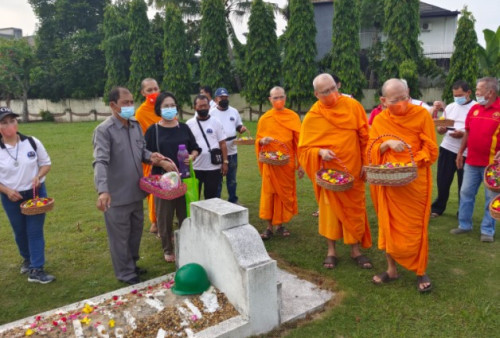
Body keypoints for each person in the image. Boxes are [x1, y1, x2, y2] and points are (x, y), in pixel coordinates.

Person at [369, 78, 438, 293]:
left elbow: (432, 149)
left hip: (415, 179)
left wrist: (412, 161)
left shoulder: (421, 115)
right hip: (389, 182)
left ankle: (420, 271)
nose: (401, 103)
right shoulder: (380, 121)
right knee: (388, 224)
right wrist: (386, 144)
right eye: (395, 100)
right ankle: (391, 269)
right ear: (383, 100)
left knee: (416, 227)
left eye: (404, 98)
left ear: (409, 93)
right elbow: (370, 150)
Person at [298, 73, 372, 270]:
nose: (332, 94)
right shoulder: (313, 115)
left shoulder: (353, 106)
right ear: (316, 94)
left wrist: (366, 162)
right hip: (328, 174)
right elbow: (303, 149)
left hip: (353, 170)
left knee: (354, 210)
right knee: (330, 212)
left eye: (333, 88)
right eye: (325, 91)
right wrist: (320, 152)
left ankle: (355, 249)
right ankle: (331, 250)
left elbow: (365, 137)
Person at [93, 86, 166, 285]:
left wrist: (151, 156)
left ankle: (132, 265)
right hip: (116, 195)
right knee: (120, 237)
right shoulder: (104, 130)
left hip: (137, 190)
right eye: (125, 103)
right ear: (113, 105)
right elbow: (100, 161)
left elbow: (141, 151)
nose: (129, 106)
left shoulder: (134, 125)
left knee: (134, 234)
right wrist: (103, 190)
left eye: (131, 102)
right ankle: (125, 273)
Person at [0, 107, 55, 284]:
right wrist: (7, 190)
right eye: (4, 122)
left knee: (34, 231)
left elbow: (46, 163)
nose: (10, 125)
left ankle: (37, 269)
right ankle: (27, 259)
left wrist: (38, 176)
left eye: (12, 120)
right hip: (11, 197)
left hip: (34, 194)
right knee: (20, 231)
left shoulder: (31, 142)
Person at [144, 91, 200, 263]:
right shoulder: (153, 130)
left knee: (185, 213)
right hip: (163, 180)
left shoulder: (183, 128)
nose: (170, 109)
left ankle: (186, 242)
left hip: (184, 178)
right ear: (159, 109)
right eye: (165, 106)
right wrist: (160, 163)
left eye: (172, 105)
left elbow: (196, 147)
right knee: (165, 215)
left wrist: (192, 156)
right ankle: (167, 248)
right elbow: (145, 153)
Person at [451, 77, 500, 243]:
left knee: (491, 198)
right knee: (465, 193)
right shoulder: (474, 110)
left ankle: (487, 230)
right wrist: (460, 153)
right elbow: (467, 132)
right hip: (471, 162)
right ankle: (464, 225)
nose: (476, 93)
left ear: (490, 92)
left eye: (478, 90)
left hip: (493, 166)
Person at [256, 86, 304, 240]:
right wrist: (262, 140)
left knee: (284, 194)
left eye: (281, 97)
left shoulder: (293, 117)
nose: (278, 100)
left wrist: (301, 164)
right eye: (275, 98)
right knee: (270, 194)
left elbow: (299, 143)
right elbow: (258, 140)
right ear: (270, 100)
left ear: (285, 98)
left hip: (286, 164)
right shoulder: (265, 119)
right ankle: (269, 226)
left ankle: (280, 225)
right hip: (270, 164)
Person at [431, 80, 476, 218]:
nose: (457, 98)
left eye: (460, 95)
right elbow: (440, 128)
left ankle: (462, 211)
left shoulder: (476, 108)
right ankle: (438, 208)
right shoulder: (451, 106)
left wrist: (463, 134)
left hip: (466, 152)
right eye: (455, 95)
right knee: (443, 180)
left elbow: (479, 131)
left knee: (464, 184)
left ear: (468, 93)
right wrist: (441, 128)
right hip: (447, 148)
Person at [187, 95, 228, 199]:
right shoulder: (189, 124)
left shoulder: (216, 122)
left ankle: (210, 216)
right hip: (195, 167)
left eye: (205, 105)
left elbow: (222, 143)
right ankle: (195, 216)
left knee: (211, 198)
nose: (203, 108)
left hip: (213, 168)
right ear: (195, 107)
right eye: (200, 106)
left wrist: (225, 162)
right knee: (194, 197)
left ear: (209, 107)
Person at [210, 87, 247, 204]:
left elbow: (238, 125)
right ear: (216, 99)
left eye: (226, 97)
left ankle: (233, 200)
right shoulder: (212, 113)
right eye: (222, 98)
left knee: (232, 179)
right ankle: (217, 201)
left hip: (232, 150)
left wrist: (241, 128)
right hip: (218, 150)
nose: (224, 99)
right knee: (218, 179)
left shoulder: (234, 111)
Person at [135, 78, 161, 235]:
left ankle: (166, 216)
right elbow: (139, 139)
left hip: (168, 153)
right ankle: (155, 220)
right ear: (143, 93)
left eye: (155, 89)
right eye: (149, 90)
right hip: (150, 156)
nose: (153, 93)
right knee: (154, 188)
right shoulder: (140, 113)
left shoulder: (164, 106)